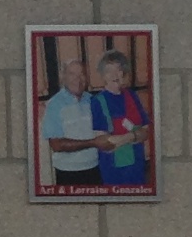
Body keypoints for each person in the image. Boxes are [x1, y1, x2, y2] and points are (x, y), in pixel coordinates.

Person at [36, 45, 107, 192]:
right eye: (72, 74)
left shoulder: (92, 100)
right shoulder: (54, 105)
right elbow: (56, 145)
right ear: (63, 77)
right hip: (68, 173)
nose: (78, 79)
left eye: (81, 74)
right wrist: (93, 143)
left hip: (95, 168)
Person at [91, 46, 152, 191]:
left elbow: (146, 131)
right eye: (108, 71)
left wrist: (121, 139)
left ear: (123, 72)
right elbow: (105, 144)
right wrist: (134, 135)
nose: (114, 75)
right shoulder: (97, 101)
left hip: (137, 166)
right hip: (114, 171)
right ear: (102, 75)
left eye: (118, 69)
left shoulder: (132, 95)